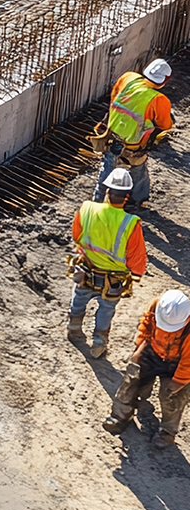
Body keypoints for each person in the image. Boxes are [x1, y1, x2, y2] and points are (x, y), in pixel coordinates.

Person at [67, 168, 147, 358]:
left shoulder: (87, 209)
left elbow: (77, 235)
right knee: (107, 308)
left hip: (86, 269)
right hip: (113, 279)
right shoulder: (130, 223)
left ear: (107, 191)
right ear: (127, 196)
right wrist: (137, 273)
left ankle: (74, 328)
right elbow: (136, 255)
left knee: (79, 298)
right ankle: (99, 343)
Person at [103, 290, 190, 447]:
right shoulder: (157, 305)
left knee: (173, 396)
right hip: (152, 351)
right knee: (132, 377)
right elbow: (145, 326)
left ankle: (168, 431)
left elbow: (188, 363)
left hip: (177, 364)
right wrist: (139, 348)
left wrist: (177, 383)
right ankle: (121, 414)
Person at [92, 57, 173, 208]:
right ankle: (138, 199)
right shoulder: (159, 100)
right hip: (134, 143)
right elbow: (165, 125)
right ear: (165, 80)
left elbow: (114, 96)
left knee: (107, 166)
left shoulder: (128, 78)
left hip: (111, 133)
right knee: (138, 168)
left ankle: (98, 199)